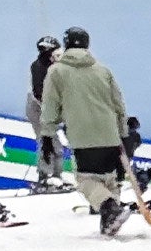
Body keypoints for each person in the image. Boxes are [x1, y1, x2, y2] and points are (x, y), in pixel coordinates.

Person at [39, 27, 133, 235]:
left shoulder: (57, 71)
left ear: (66, 44)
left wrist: (47, 134)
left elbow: (51, 105)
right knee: (108, 179)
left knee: (86, 180)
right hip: (109, 134)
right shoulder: (103, 70)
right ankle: (110, 220)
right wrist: (123, 133)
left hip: (83, 135)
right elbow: (119, 105)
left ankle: (109, 208)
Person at [25, 36, 66, 189]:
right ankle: (46, 176)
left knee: (54, 144)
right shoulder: (38, 67)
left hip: (49, 108)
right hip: (38, 109)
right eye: (55, 52)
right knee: (48, 142)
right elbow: (39, 94)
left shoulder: (56, 66)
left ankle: (55, 176)